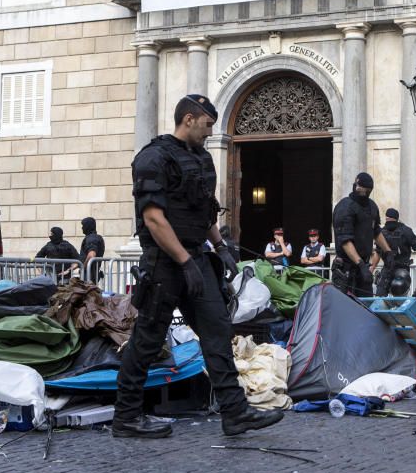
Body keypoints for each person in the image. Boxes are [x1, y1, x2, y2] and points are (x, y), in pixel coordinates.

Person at [114, 94, 283, 438]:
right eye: (206, 124)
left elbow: (204, 211)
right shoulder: (153, 157)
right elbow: (153, 218)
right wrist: (183, 261)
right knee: (147, 340)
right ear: (188, 119)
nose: (210, 132)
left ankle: (235, 414)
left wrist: (220, 248)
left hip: (195, 258)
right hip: (164, 262)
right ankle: (127, 417)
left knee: (218, 331)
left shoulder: (202, 158)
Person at [331, 172, 393, 298]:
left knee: (366, 306)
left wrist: (388, 252)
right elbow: (345, 241)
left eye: (362, 188)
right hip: (345, 269)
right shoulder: (345, 207)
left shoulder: (372, 206)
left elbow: (376, 231)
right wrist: (361, 265)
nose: (358, 188)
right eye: (357, 186)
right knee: (346, 307)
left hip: (363, 268)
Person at [375, 208, 416, 297]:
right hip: (387, 268)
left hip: (402, 267)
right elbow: (377, 252)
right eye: (387, 219)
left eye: (391, 220)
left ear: (396, 219)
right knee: (379, 295)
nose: (389, 222)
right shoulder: (382, 232)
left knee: (399, 292)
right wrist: (372, 268)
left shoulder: (406, 231)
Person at [80, 217, 106, 283]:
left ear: (87, 226)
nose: (82, 228)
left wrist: (83, 267)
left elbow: (91, 255)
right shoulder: (95, 237)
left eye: (83, 226)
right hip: (92, 273)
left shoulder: (91, 238)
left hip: (90, 274)